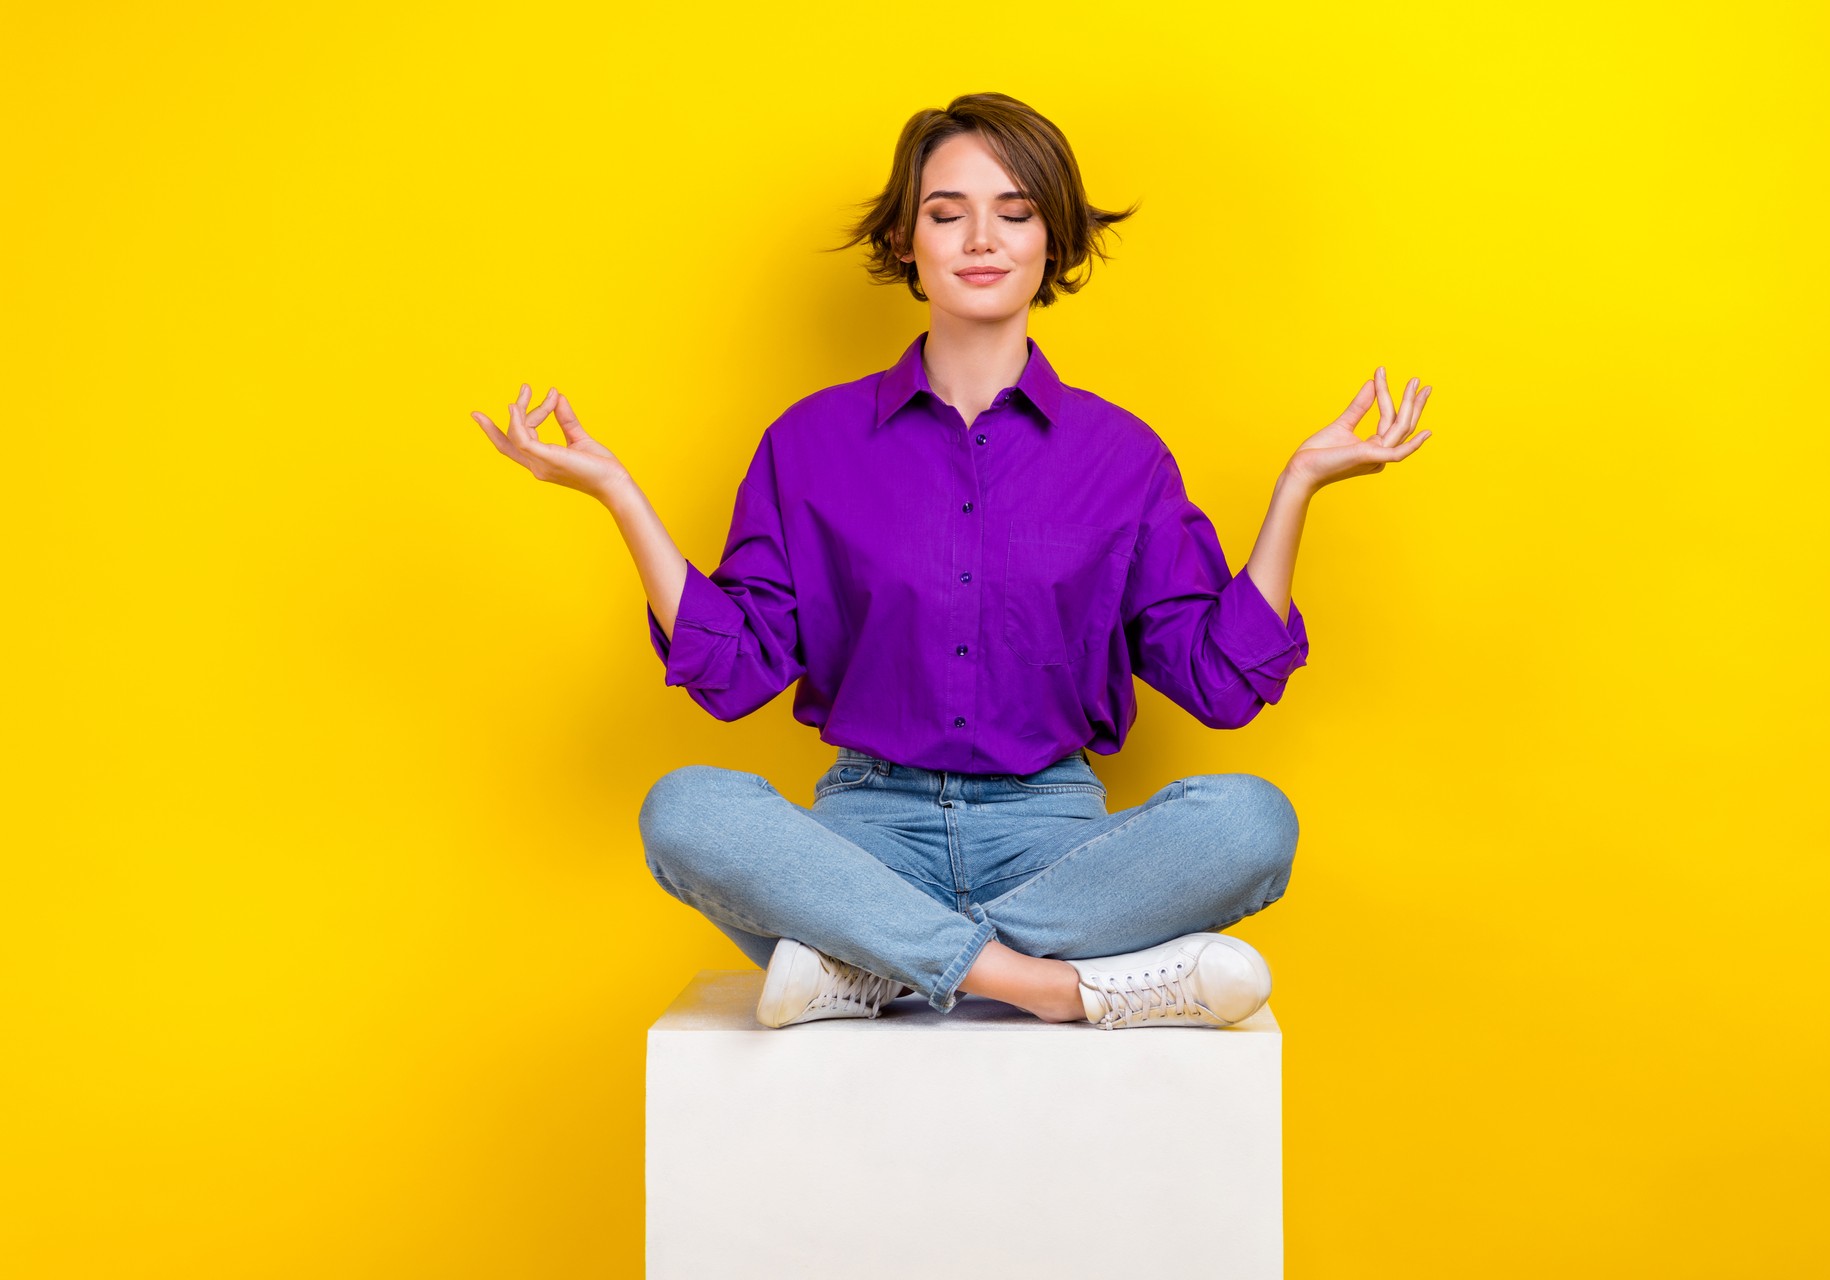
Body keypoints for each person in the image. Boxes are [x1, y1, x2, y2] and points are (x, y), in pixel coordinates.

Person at [472, 92, 1433, 1031]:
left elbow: (1220, 680)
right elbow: (733, 670)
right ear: (906, 242)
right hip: (865, 832)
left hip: (1058, 840)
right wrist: (619, 496)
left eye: (1014, 214)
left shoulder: (1122, 455)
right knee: (688, 811)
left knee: (1252, 826)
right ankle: (1050, 987)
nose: (982, 238)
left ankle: (874, 967)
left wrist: (1300, 484)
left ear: (1050, 241)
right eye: (948, 213)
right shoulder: (809, 443)